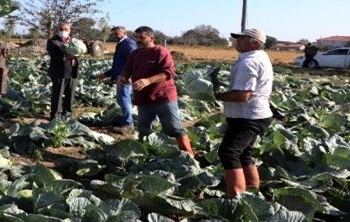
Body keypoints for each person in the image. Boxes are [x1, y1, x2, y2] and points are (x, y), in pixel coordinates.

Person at [212, 28, 273, 198]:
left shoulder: (249, 62)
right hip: (256, 114)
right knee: (245, 153)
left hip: (248, 116)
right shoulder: (261, 56)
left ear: (255, 43)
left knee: (228, 152)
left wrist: (218, 95)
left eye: (242, 38)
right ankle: (253, 190)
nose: (237, 41)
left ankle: (237, 196)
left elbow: (242, 95)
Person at [119, 26, 194, 156]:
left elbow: (168, 73)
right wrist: (124, 77)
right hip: (143, 99)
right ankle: (147, 156)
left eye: (142, 37)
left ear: (151, 38)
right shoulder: (134, 54)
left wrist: (148, 81)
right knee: (144, 130)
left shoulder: (161, 52)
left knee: (174, 128)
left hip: (163, 97)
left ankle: (190, 156)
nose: (138, 40)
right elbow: (127, 69)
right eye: (136, 37)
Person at [99, 26, 137, 130]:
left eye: (117, 33)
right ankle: (126, 120)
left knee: (124, 99)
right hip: (120, 75)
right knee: (122, 99)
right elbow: (118, 64)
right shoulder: (121, 44)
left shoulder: (128, 43)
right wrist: (107, 74)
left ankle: (128, 124)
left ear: (124, 33)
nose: (115, 35)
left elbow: (134, 60)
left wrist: (129, 75)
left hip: (124, 77)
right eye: (114, 34)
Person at [46, 23, 80, 121]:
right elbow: (54, 56)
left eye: (66, 29)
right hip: (59, 72)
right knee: (58, 94)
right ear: (58, 30)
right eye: (61, 29)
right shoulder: (53, 41)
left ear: (70, 30)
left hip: (72, 71)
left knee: (70, 94)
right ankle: (54, 115)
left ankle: (67, 113)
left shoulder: (73, 41)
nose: (63, 31)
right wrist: (66, 58)